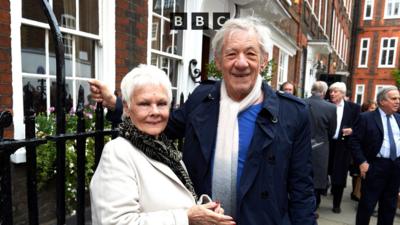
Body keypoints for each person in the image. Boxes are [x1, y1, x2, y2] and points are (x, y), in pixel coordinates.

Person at [90, 17, 316, 225]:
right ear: (218, 61)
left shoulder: (293, 113)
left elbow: (301, 189)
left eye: (250, 53)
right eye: (231, 54)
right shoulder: (202, 99)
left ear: (264, 61)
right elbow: (161, 124)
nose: (241, 63)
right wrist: (119, 105)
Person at [89, 64, 235, 225]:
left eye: (162, 103)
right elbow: (115, 222)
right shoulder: (117, 153)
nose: (155, 111)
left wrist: (204, 211)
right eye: (144, 104)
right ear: (127, 107)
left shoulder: (165, 149)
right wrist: (186, 218)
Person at [350, 86, 400, 225]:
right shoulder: (366, 118)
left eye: (399, 99)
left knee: (389, 206)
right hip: (375, 166)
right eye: (394, 98)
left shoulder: (398, 118)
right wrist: (362, 162)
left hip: (395, 167)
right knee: (367, 205)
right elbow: (354, 141)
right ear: (382, 101)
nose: (397, 102)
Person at [328, 82, 361, 213]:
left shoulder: (354, 108)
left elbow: (359, 127)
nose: (332, 94)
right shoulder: (326, 105)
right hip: (327, 143)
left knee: (339, 176)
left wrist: (352, 130)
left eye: (335, 91)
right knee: (322, 173)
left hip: (343, 145)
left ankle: (337, 204)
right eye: (331, 91)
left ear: (342, 93)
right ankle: (317, 200)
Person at [305, 81, 337, 215]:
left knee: (301, 175)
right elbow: (332, 130)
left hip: (302, 145)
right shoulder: (331, 107)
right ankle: (313, 208)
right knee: (317, 179)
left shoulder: (301, 102)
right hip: (321, 146)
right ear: (324, 92)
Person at [350, 100, 377, 201]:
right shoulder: (363, 118)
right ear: (366, 109)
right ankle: (356, 194)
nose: (374, 110)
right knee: (357, 175)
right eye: (372, 108)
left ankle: (357, 194)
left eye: (375, 108)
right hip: (361, 152)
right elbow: (356, 138)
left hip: (366, 152)